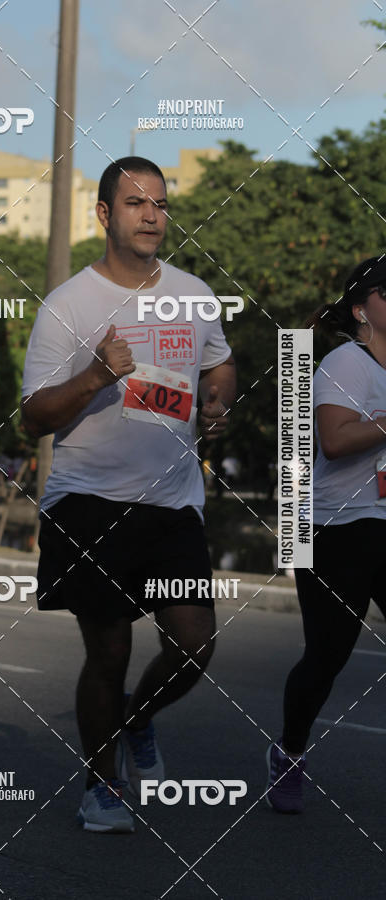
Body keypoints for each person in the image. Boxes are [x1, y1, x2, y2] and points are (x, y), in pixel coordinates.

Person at [21, 157, 236, 833]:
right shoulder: (70, 305)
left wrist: (217, 397)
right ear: (105, 215)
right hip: (89, 501)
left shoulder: (195, 294)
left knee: (195, 644)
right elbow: (34, 416)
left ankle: (138, 723)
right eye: (137, 202)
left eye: (162, 204)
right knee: (109, 650)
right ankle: (101, 784)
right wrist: (93, 375)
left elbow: (219, 360)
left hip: (172, 500)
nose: (152, 215)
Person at [267, 256, 386, 813]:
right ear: (362, 308)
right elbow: (335, 442)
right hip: (333, 525)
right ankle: (289, 753)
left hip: (382, 523)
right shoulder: (346, 362)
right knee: (327, 656)